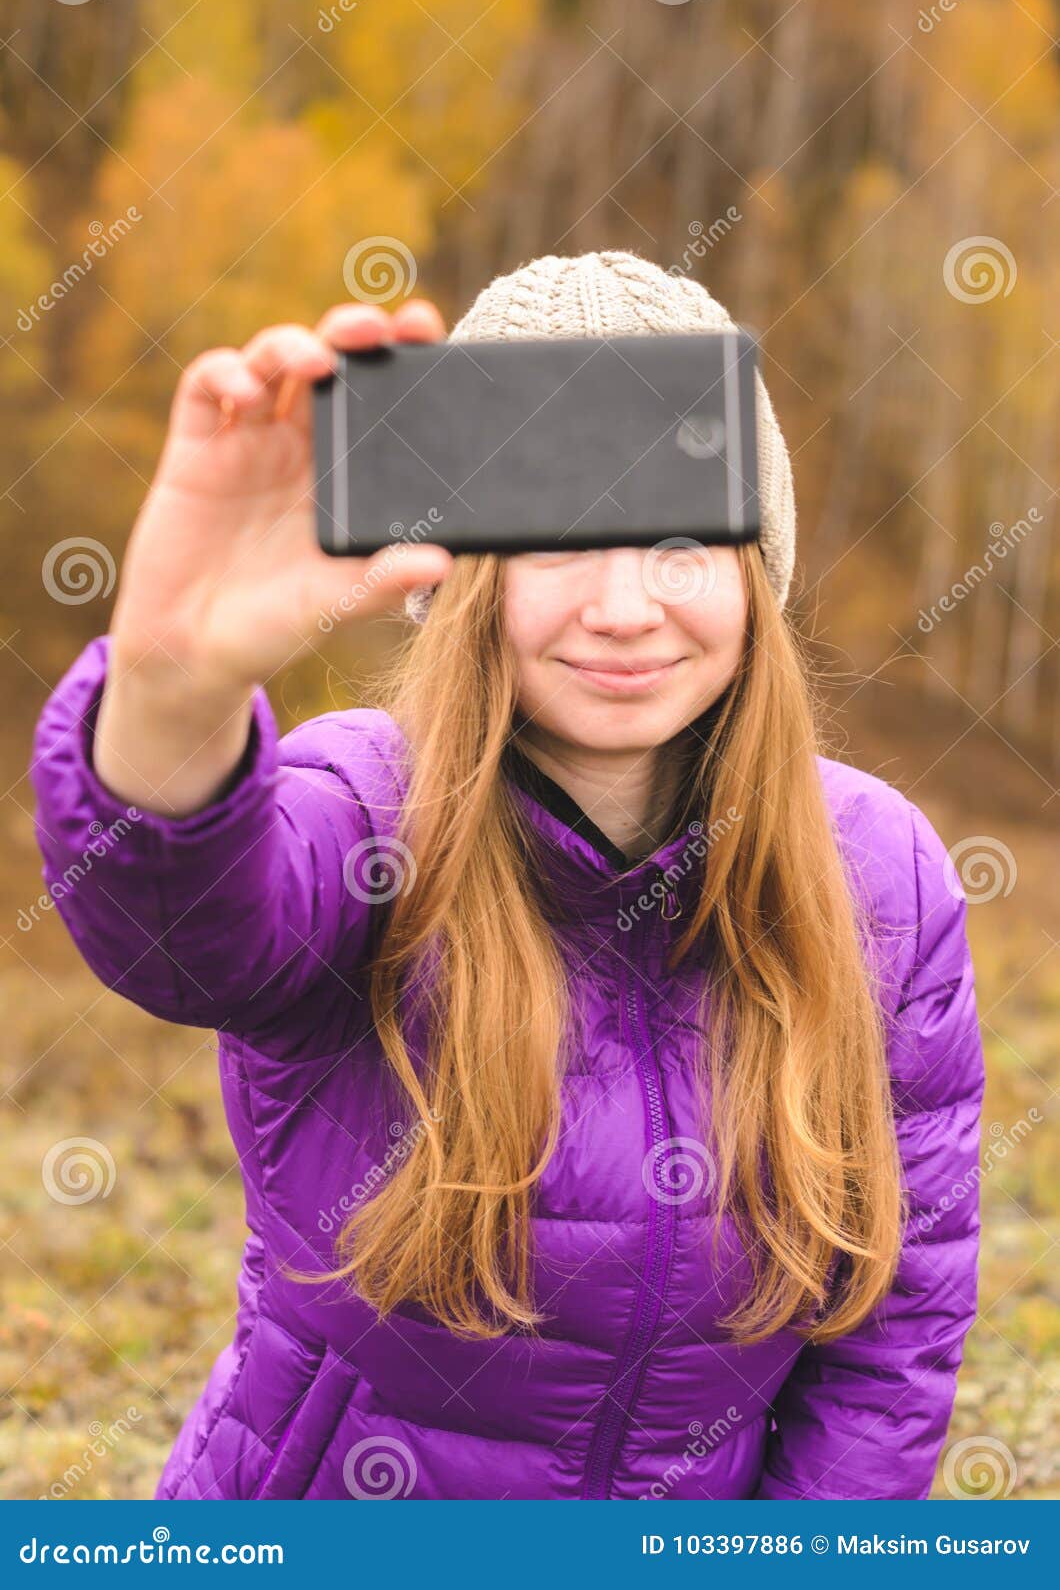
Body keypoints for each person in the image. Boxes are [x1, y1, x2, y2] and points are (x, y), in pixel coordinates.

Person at [29, 249, 983, 1501]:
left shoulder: (883, 873)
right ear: (468, 577)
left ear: (758, 565)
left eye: (681, 537)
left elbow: (887, 1351)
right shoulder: (367, 817)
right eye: (561, 538)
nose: (626, 604)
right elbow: (177, 926)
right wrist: (169, 689)